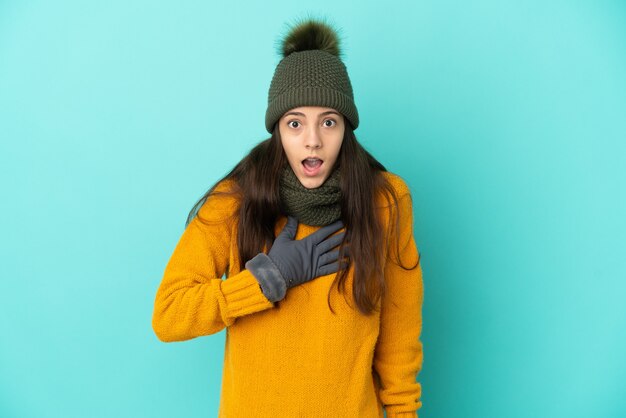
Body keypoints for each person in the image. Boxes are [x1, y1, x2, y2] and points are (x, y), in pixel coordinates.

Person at [152, 16, 424, 418]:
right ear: (277, 128)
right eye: (295, 123)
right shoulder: (235, 201)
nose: (312, 139)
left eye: (328, 122)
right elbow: (169, 315)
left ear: (346, 128)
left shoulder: (385, 201)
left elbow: (399, 339)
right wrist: (266, 280)